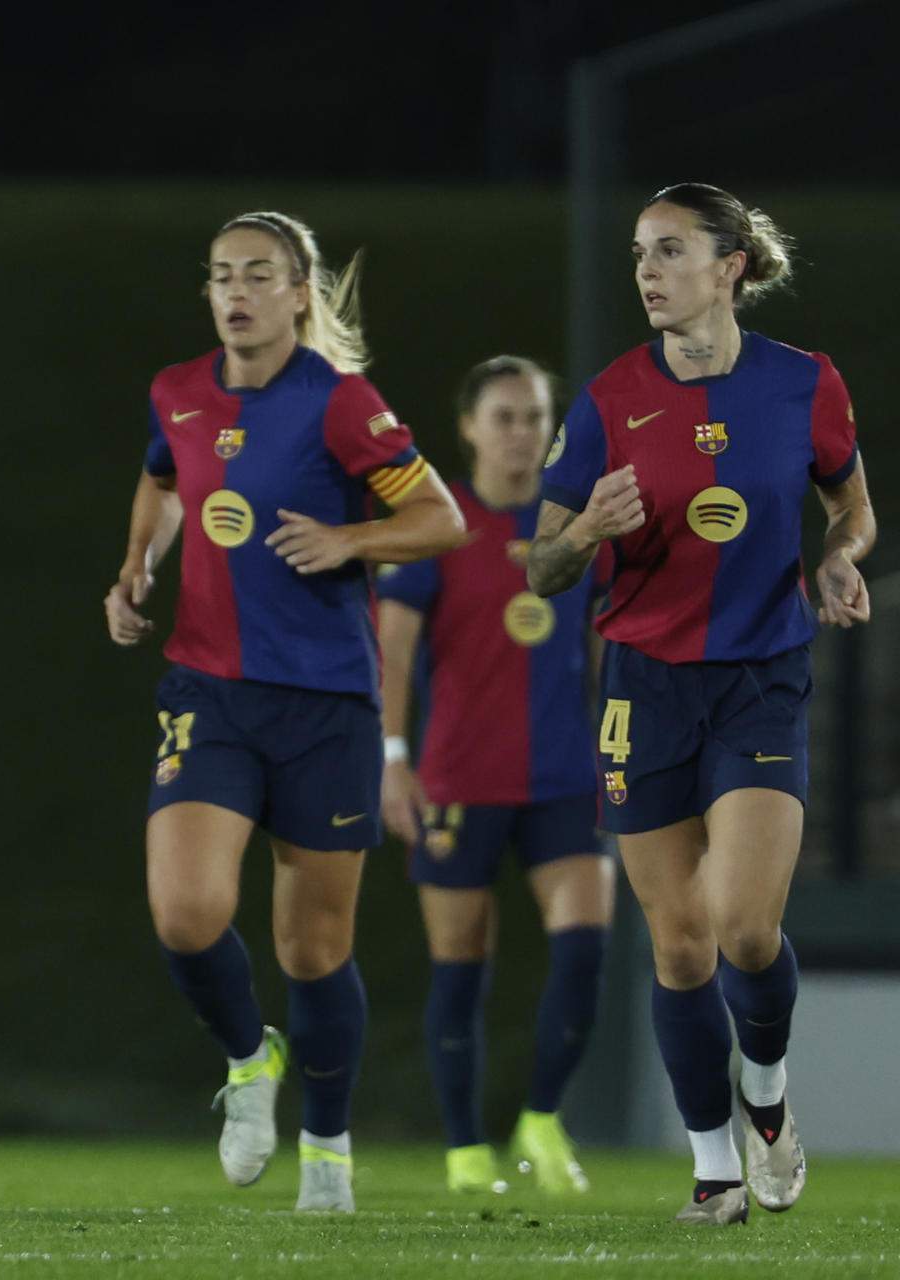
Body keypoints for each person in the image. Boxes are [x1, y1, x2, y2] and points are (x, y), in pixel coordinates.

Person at [105, 211, 464, 1213]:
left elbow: (441, 519)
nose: (236, 292)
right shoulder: (179, 392)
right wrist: (138, 561)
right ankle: (245, 1056)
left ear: (300, 291)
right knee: (186, 913)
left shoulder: (341, 404)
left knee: (313, 948)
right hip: (208, 690)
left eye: (259, 274)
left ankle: (331, 1146)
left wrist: (351, 541)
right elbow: (164, 476)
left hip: (325, 704)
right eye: (221, 274)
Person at [530, 183, 874, 1225]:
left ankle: (765, 1093)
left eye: (671, 250)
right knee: (678, 944)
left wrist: (843, 556)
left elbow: (851, 504)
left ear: (730, 266)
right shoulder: (607, 399)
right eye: (640, 252)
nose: (647, 270)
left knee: (744, 928)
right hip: (643, 685)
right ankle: (714, 1167)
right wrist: (585, 526)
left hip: (762, 678)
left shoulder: (803, 383)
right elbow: (542, 566)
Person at [378, 355, 612, 1195]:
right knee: (459, 965)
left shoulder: (576, 528)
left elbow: (601, 653)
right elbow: (393, 651)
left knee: (586, 947)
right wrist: (393, 760)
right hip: (457, 779)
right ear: (470, 427)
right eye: (505, 416)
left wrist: (620, 753)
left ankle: (543, 1119)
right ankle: (465, 1151)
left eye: (535, 417)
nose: (522, 432)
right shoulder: (437, 522)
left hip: (562, 777)